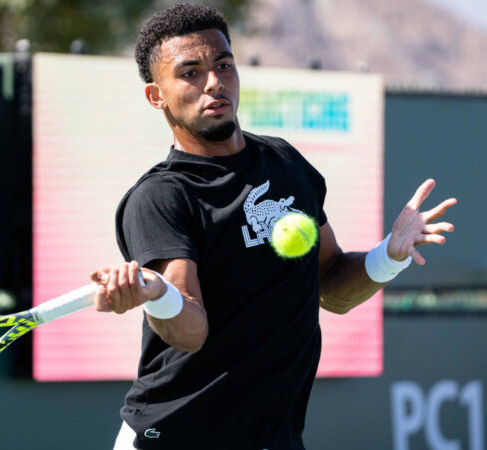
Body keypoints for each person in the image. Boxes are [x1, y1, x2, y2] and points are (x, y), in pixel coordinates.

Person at [89, 4, 457, 449]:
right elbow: (190, 329)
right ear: (156, 96)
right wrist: (158, 295)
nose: (213, 82)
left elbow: (331, 287)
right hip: (174, 437)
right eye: (190, 72)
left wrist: (389, 256)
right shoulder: (161, 197)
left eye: (223, 65)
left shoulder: (285, 163)